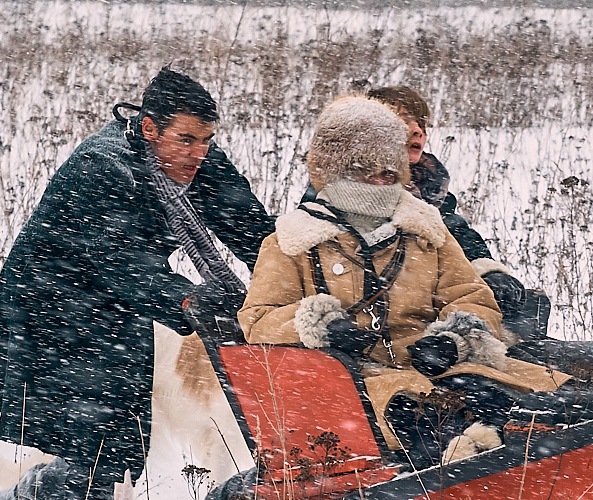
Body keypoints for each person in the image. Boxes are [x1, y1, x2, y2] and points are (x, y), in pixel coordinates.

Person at [0, 67, 272, 500]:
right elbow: (118, 261)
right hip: (50, 305)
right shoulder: (100, 168)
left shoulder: (197, 163)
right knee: (94, 432)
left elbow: (251, 228)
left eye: (206, 140)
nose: (198, 152)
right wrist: (189, 300)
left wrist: (283, 279)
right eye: (186, 139)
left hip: (116, 306)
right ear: (149, 128)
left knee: (115, 436)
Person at [239, 96, 566, 464]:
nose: (382, 184)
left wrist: (452, 339)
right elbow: (258, 320)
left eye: (390, 174)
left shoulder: (426, 231)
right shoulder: (292, 243)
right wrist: (321, 326)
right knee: (428, 420)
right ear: (337, 171)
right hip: (357, 385)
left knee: (538, 403)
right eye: (369, 172)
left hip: (442, 368)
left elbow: (472, 296)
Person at [365, 83, 553, 341]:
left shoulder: (428, 187)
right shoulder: (340, 196)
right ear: (366, 131)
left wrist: (488, 272)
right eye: (404, 120)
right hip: (394, 324)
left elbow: (457, 235)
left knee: (530, 313)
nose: (418, 130)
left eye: (422, 123)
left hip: (444, 309)